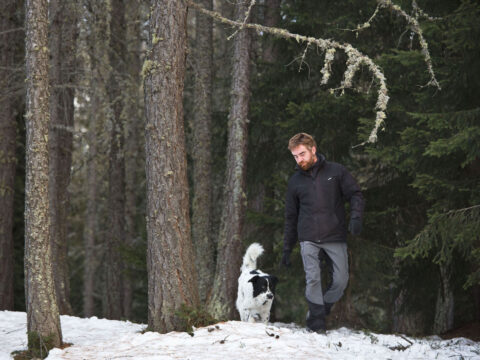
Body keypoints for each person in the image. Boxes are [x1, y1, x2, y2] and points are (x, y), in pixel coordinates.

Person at [281, 132, 365, 333]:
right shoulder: (295, 182)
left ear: (313, 150)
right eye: (295, 156)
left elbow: (355, 195)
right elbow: (291, 217)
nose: (299, 160)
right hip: (308, 237)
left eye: (302, 154)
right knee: (313, 278)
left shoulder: (336, 172)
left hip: (334, 234)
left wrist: (355, 217)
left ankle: (322, 307)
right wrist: (286, 248)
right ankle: (316, 323)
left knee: (340, 281)